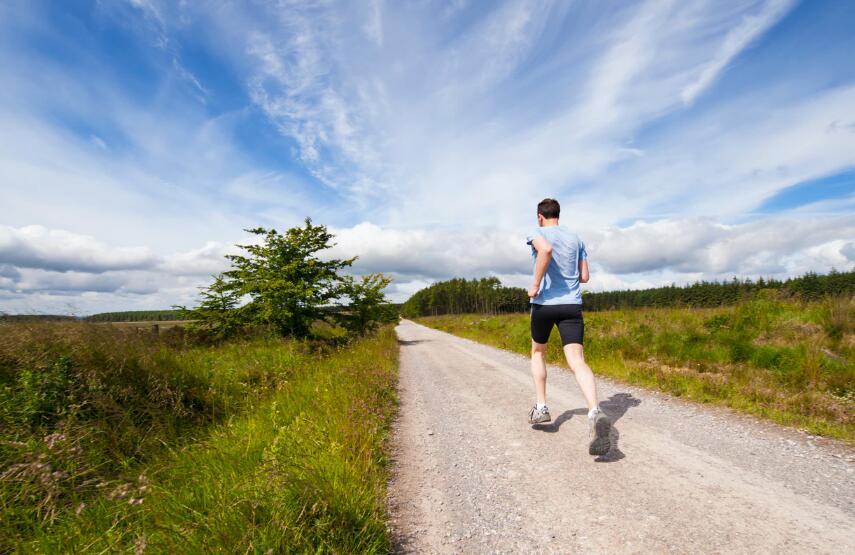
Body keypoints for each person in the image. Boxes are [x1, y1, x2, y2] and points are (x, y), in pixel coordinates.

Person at [526, 198, 611, 456]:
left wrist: (535, 284)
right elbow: (584, 276)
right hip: (572, 305)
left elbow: (546, 250)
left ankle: (541, 407)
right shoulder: (576, 238)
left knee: (538, 352)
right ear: (558, 215)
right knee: (577, 360)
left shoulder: (536, 233)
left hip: (544, 304)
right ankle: (595, 411)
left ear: (540, 216)